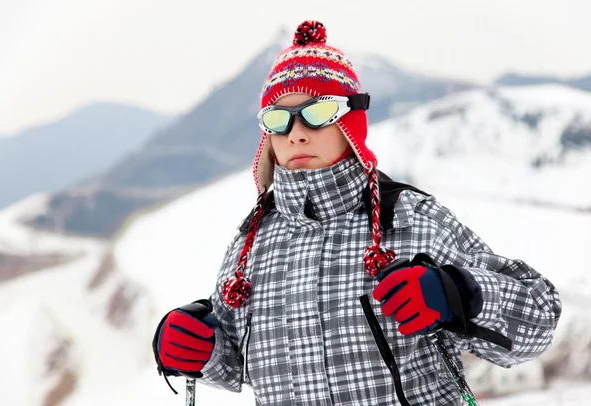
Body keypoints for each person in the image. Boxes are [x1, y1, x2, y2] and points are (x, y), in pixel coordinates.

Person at [152, 20, 562, 405]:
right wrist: (198, 347)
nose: (296, 132)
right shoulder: (253, 242)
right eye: (279, 119)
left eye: (316, 113)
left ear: (351, 122)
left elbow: (538, 317)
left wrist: (456, 294)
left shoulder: (408, 219)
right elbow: (235, 363)